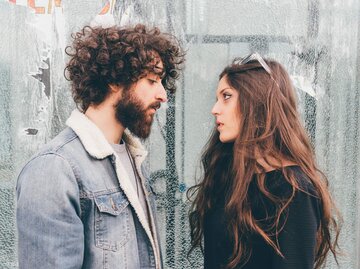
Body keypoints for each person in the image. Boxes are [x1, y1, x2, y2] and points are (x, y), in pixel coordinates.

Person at [16, 24, 184, 269]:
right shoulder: (54, 169)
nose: (163, 95)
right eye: (151, 80)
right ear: (114, 81)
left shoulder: (131, 158)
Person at [188, 53, 340, 269]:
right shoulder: (227, 177)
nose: (215, 109)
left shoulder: (294, 190)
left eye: (227, 96)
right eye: (217, 98)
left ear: (256, 101)